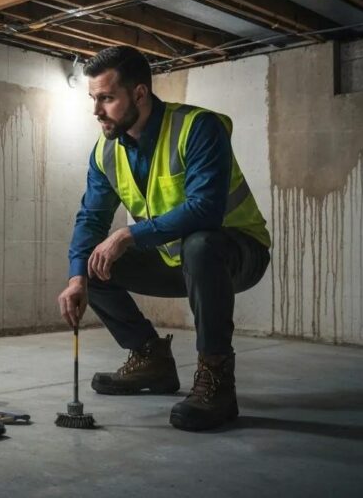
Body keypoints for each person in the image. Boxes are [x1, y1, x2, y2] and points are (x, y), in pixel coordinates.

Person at [57, 46, 271, 431]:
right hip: (175, 259)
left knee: (201, 243)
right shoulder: (106, 152)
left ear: (139, 94)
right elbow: (91, 218)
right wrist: (76, 278)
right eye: (93, 99)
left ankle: (216, 377)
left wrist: (128, 234)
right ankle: (151, 359)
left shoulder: (198, 127)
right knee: (92, 263)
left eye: (106, 98)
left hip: (236, 253)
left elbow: (205, 209)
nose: (96, 111)